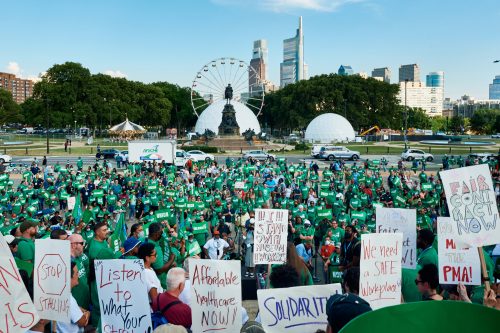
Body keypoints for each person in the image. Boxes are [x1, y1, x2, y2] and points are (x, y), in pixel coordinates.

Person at [56, 262, 90, 333]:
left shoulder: (57, 292)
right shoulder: (68, 299)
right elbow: (82, 322)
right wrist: (87, 313)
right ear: (69, 277)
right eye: (77, 273)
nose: (79, 275)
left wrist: (80, 309)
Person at [68, 234, 90, 310]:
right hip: (75, 306)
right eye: (82, 243)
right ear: (74, 245)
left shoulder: (79, 257)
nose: (83, 246)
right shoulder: (67, 262)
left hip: (85, 301)